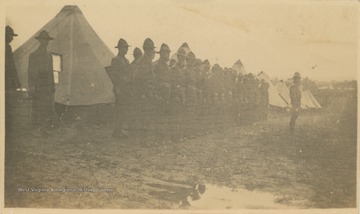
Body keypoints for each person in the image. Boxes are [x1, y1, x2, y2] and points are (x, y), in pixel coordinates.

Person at [28, 31, 57, 135]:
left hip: (47, 84)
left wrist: (53, 84)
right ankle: (35, 129)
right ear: (39, 41)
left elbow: (51, 70)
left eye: (47, 40)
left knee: (47, 106)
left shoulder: (49, 55)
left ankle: (45, 128)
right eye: (44, 40)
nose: (46, 42)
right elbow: (31, 72)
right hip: (38, 83)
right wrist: (31, 86)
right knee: (37, 105)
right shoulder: (34, 55)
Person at [110, 38, 133, 138]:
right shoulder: (115, 60)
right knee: (119, 109)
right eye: (124, 48)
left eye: (126, 48)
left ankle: (120, 130)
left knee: (124, 109)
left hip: (126, 88)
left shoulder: (127, 60)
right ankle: (117, 131)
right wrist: (117, 88)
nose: (126, 49)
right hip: (119, 88)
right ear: (119, 49)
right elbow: (114, 76)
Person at [5, 26, 21, 132]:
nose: (11, 38)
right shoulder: (6, 48)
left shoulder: (8, 47)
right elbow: (11, 66)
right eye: (10, 36)